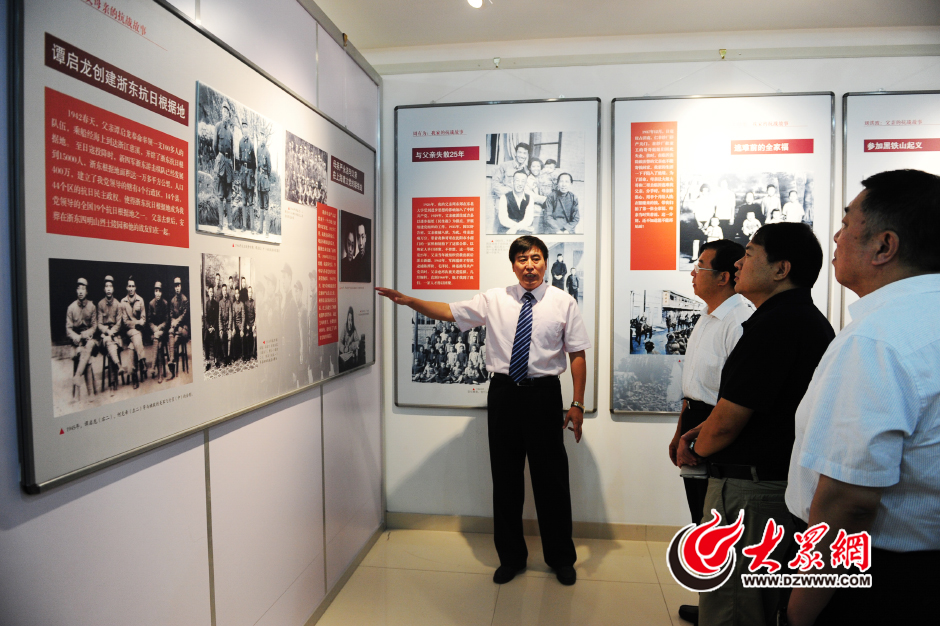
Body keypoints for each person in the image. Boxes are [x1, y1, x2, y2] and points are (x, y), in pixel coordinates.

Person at [376, 235, 591, 587]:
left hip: (544, 395)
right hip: (505, 394)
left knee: (551, 479)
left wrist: (577, 403)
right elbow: (449, 311)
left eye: (536, 258)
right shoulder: (494, 299)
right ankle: (511, 558)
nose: (530, 265)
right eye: (522, 259)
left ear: (546, 262)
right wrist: (409, 301)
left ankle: (561, 558)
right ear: (513, 265)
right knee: (505, 478)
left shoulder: (563, 302)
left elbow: (577, 355)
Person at [783, 170, 940, 626]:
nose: (836, 237)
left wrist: (800, 611)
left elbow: (848, 501)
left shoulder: (877, 338)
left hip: (872, 581)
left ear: (884, 246)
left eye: (847, 223)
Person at [676, 223, 834, 626]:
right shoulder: (793, 318)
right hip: (764, 479)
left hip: (752, 487)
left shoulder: (776, 325)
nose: (739, 264)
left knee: (733, 604)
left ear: (781, 269)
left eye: (748, 254)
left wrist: (696, 447)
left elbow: (729, 419)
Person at [666, 240, 752, 626]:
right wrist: (679, 432)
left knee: (719, 526)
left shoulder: (740, 321)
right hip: (695, 421)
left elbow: (735, 399)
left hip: (718, 431)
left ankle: (724, 611)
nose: (692, 272)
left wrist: (698, 442)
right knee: (701, 523)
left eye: (700, 266)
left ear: (723, 276)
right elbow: (695, 387)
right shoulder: (707, 315)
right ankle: (711, 606)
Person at [66, 277, 98, 394]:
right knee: (86, 357)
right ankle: (90, 393)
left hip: (90, 340)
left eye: (83, 289)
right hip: (76, 343)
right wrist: (77, 337)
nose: (80, 291)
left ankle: (77, 376)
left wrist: (86, 334)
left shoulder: (92, 306)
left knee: (89, 345)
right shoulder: (71, 308)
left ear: (87, 291)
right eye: (78, 288)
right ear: (76, 290)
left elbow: (94, 326)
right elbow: (68, 329)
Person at [97, 275, 124, 393]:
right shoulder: (100, 304)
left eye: (110, 286)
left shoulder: (118, 304)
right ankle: (119, 367)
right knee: (109, 342)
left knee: (111, 345)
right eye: (106, 286)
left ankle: (113, 384)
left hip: (116, 336)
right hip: (105, 338)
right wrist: (107, 332)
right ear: (104, 289)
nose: (108, 289)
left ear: (113, 289)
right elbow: (99, 324)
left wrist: (112, 332)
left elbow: (119, 323)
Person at [212, 103, 236, 231]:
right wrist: (219, 158)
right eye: (223, 112)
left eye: (227, 113)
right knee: (220, 195)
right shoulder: (218, 127)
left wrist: (229, 163)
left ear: (229, 115)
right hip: (221, 161)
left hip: (228, 164)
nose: (225, 114)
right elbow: (214, 146)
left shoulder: (230, 133)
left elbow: (232, 152)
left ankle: (230, 224)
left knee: (229, 196)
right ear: (221, 113)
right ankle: (221, 224)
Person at [121, 276, 147, 389]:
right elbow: (125, 322)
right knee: (135, 336)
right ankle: (142, 360)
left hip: (139, 332)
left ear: (135, 287)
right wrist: (137, 324)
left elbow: (143, 319)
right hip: (128, 333)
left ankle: (134, 377)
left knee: (132, 347)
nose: (131, 288)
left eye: (133, 286)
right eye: (129, 286)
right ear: (127, 288)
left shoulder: (140, 300)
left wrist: (139, 324)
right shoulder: (123, 302)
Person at [490, 141, 530, 206]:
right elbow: (495, 184)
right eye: (520, 152)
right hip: (504, 198)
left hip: (520, 201)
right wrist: (509, 195)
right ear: (515, 153)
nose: (522, 156)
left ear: (527, 155)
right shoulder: (504, 166)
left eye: (524, 153)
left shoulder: (527, 170)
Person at [167, 277, 189, 380]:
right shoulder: (172, 301)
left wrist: (176, 322)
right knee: (171, 334)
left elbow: (184, 315)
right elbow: (171, 315)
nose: (177, 288)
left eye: (178, 285)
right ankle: (172, 361)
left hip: (184, 329)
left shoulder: (185, 300)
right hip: (176, 329)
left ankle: (172, 362)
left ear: (181, 286)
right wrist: (173, 322)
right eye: (175, 286)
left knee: (175, 338)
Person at [148, 281, 168, 383]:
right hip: (155, 332)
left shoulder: (165, 303)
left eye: (159, 291)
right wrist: (154, 328)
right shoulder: (151, 304)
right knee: (159, 345)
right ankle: (160, 373)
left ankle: (153, 367)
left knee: (158, 339)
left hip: (163, 332)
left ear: (162, 292)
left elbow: (167, 320)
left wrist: (160, 327)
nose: (158, 293)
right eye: (156, 291)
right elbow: (149, 320)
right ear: (154, 292)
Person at [237, 119, 256, 231]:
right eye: (243, 128)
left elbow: (254, 162)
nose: (245, 130)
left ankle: (252, 227)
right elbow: (239, 158)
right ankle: (244, 226)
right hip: (243, 175)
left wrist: (252, 175)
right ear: (242, 130)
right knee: (244, 201)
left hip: (250, 174)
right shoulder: (240, 143)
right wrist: (241, 171)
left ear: (248, 130)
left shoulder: (251, 144)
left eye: (246, 128)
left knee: (250, 202)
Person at [257, 135, 272, 236]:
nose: (262, 139)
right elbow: (257, 163)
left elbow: (269, 167)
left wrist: (267, 177)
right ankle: (260, 229)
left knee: (266, 206)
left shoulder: (267, 152)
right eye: (261, 136)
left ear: (265, 140)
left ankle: (267, 231)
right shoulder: (258, 149)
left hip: (265, 180)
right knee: (261, 205)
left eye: (264, 137)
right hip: (259, 180)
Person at [338, 306, 360, 372]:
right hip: (344, 356)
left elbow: (358, 341)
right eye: (349, 320)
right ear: (347, 319)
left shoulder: (354, 329)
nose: (350, 323)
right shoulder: (344, 327)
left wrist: (350, 347)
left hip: (350, 357)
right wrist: (344, 349)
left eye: (351, 320)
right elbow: (340, 342)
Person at [204, 285, 219, 370]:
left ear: (213, 293)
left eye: (212, 292)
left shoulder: (216, 304)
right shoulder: (207, 303)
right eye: (210, 292)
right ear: (208, 293)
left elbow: (217, 317)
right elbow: (206, 317)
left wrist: (213, 327)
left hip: (214, 326)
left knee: (216, 339)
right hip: (208, 327)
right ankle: (208, 361)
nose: (211, 293)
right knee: (205, 339)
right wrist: (208, 327)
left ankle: (216, 359)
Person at [219, 284, 233, 366]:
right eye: (223, 290)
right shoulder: (220, 302)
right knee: (221, 336)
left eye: (225, 290)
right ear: (222, 292)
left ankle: (228, 357)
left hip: (228, 325)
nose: (224, 292)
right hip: (222, 325)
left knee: (229, 337)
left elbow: (230, 315)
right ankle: (224, 357)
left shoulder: (229, 302)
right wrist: (221, 328)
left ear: (227, 291)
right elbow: (219, 317)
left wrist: (229, 327)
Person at [244, 285, 256, 362]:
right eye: (249, 292)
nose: (250, 294)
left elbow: (256, 314)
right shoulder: (245, 303)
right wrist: (246, 325)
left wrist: (254, 324)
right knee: (247, 335)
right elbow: (244, 315)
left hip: (253, 323)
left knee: (255, 336)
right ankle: (248, 354)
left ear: (252, 293)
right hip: (248, 324)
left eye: (251, 292)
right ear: (247, 293)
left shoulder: (254, 302)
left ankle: (254, 353)